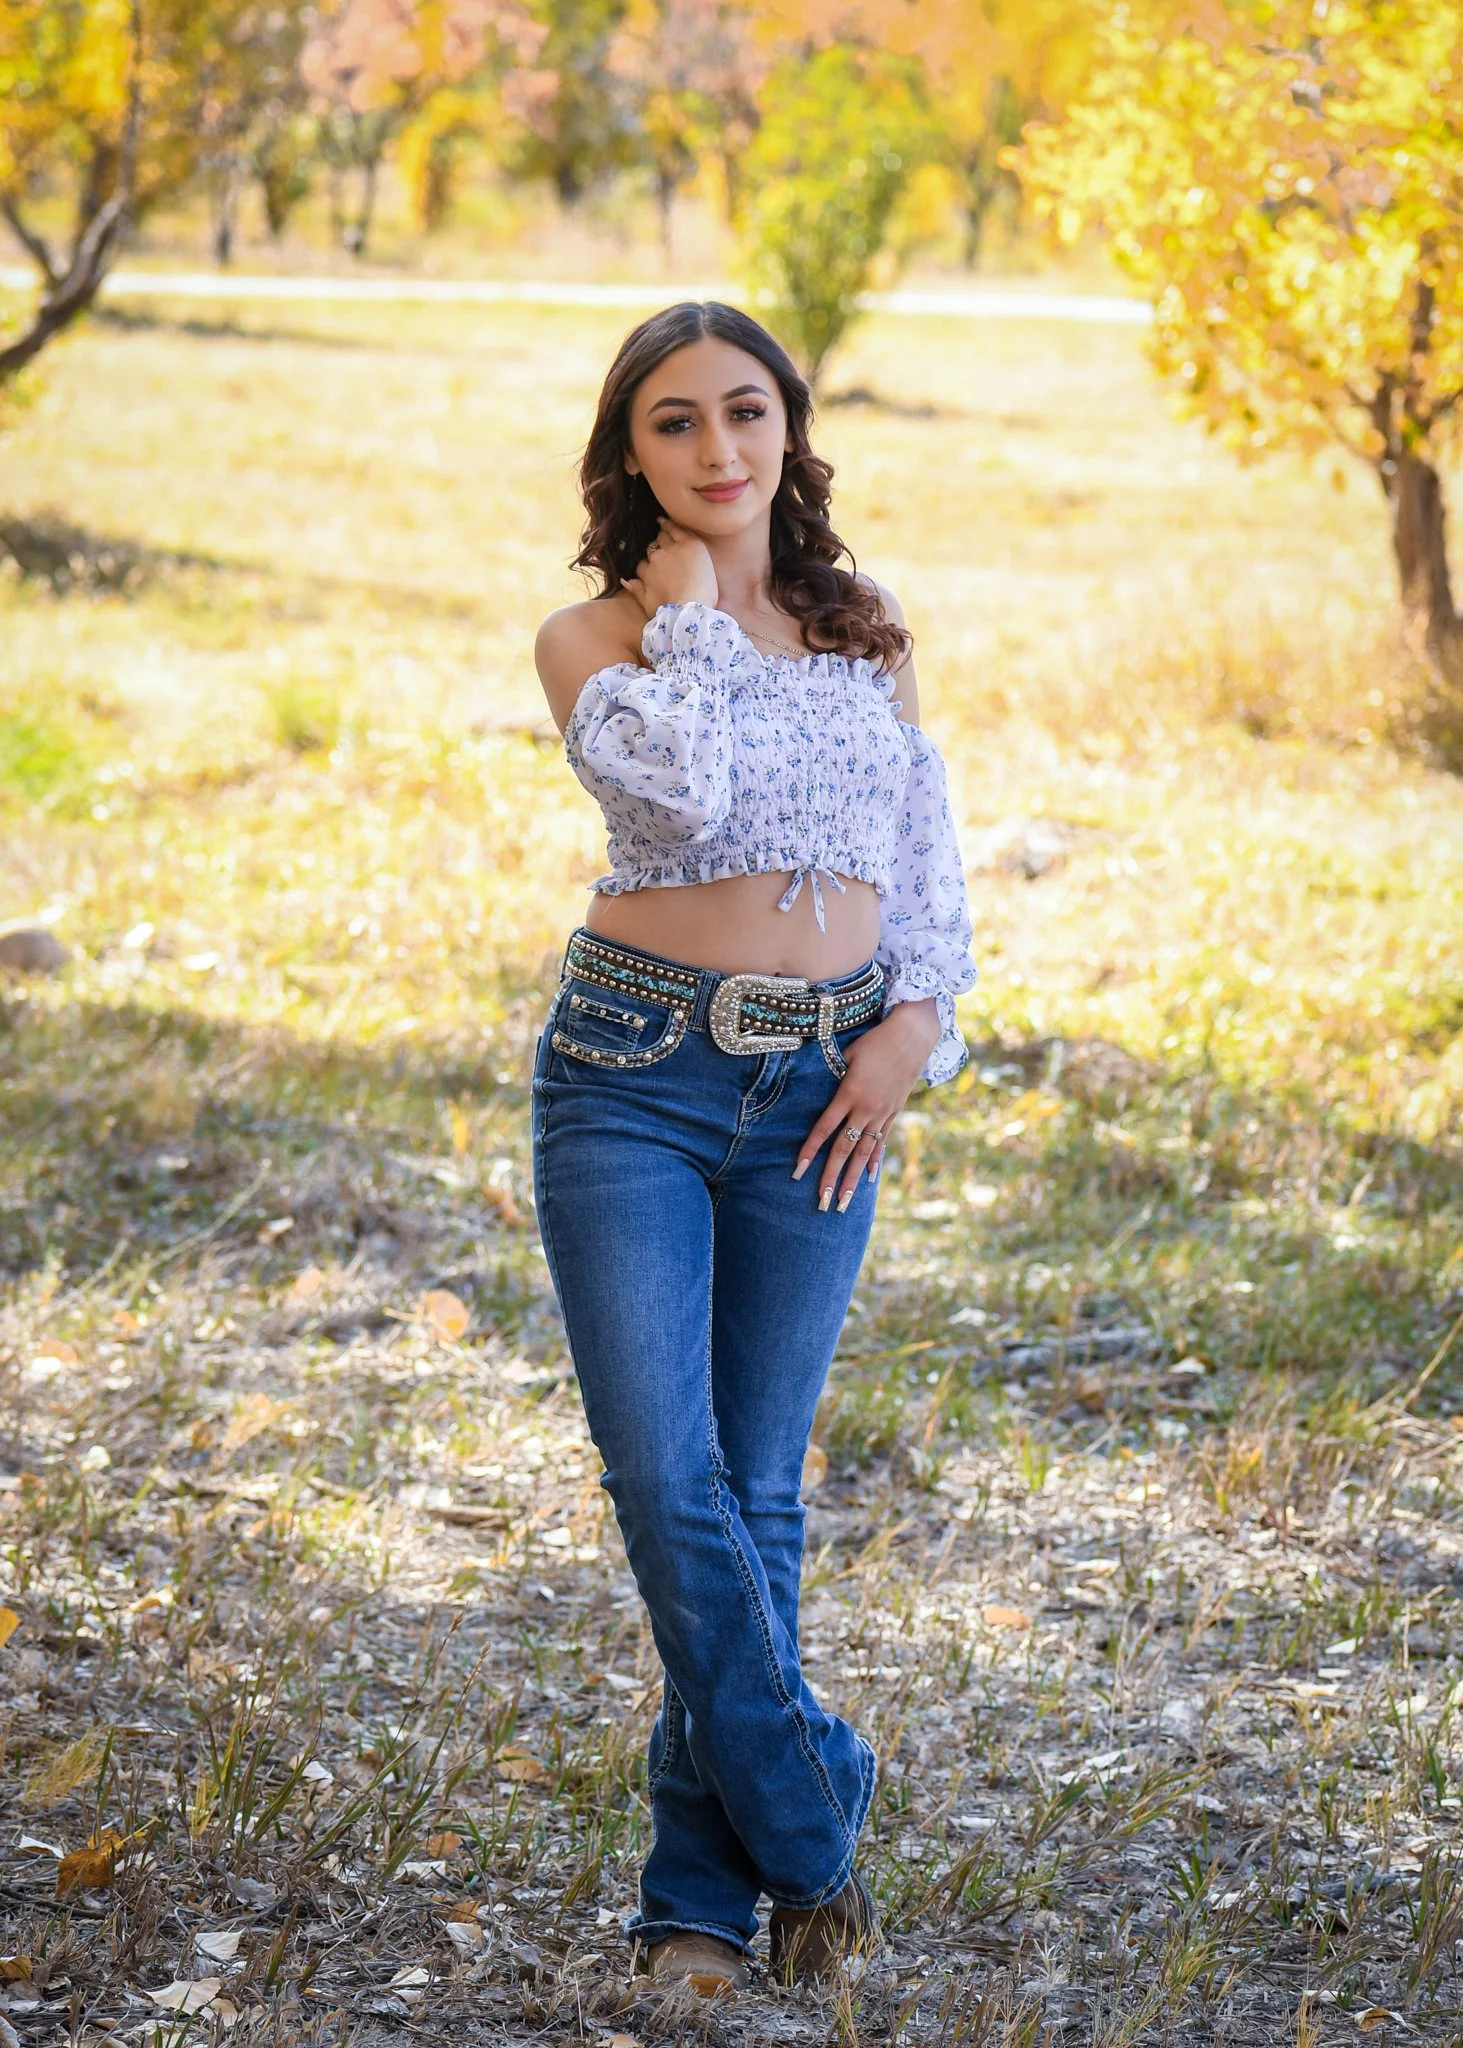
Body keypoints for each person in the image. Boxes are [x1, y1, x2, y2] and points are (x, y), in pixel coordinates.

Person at [531, 300, 976, 1994]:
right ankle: (813, 1811)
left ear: (790, 426)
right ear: (626, 452)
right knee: (669, 1482)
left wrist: (915, 1025)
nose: (717, 448)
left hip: (819, 1086)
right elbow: (681, 805)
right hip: (633, 1077)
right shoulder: (594, 641)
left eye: (744, 411)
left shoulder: (866, 626)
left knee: (758, 1494)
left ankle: (696, 1909)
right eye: (673, 422)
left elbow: (919, 845)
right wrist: (695, 622)